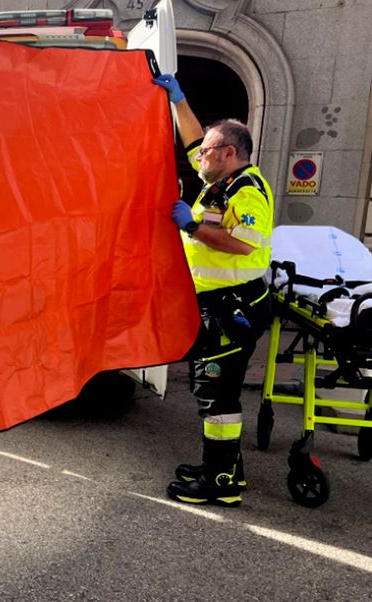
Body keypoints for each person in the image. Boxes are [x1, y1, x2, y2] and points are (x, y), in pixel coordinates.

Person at [155, 73, 274, 507]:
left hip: (232, 308)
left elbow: (244, 243)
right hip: (219, 305)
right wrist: (178, 99)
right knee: (212, 390)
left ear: (228, 153)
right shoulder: (220, 180)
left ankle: (220, 482)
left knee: (216, 393)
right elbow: (190, 141)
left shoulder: (248, 191)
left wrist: (194, 227)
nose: (197, 156)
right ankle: (222, 468)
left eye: (206, 151)